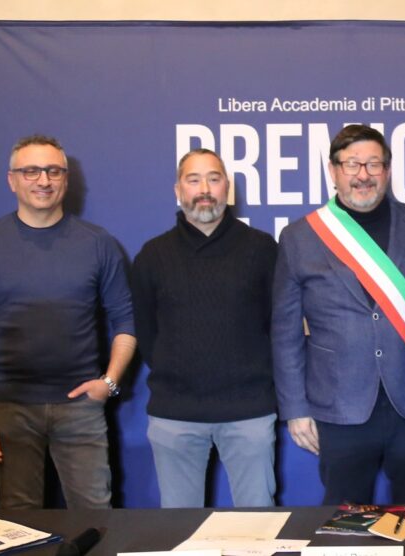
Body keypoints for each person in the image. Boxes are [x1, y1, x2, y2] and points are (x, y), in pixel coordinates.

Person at [0, 134, 136, 509]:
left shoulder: (98, 243)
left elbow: (125, 322)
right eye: (31, 171)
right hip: (6, 408)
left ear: (65, 179)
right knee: (19, 523)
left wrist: (109, 382)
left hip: (80, 408)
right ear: (12, 180)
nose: (43, 180)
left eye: (53, 171)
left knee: (96, 514)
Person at [273, 124, 405, 504]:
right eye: (352, 164)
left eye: (373, 164)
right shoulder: (299, 237)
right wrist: (295, 408)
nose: (363, 175)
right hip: (339, 407)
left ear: (388, 170)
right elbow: (285, 332)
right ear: (333, 171)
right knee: (344, 521)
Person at [131, 148, 279, 508]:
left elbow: (279, 325)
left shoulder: (262, 249)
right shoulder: (153, 255)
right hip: (175, 413)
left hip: (249, 411)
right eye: (193, 180)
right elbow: (146, 332)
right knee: (179, 527)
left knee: (259, 523)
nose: (204, 190)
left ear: (227, 187)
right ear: (177, 190)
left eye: (213, 179)